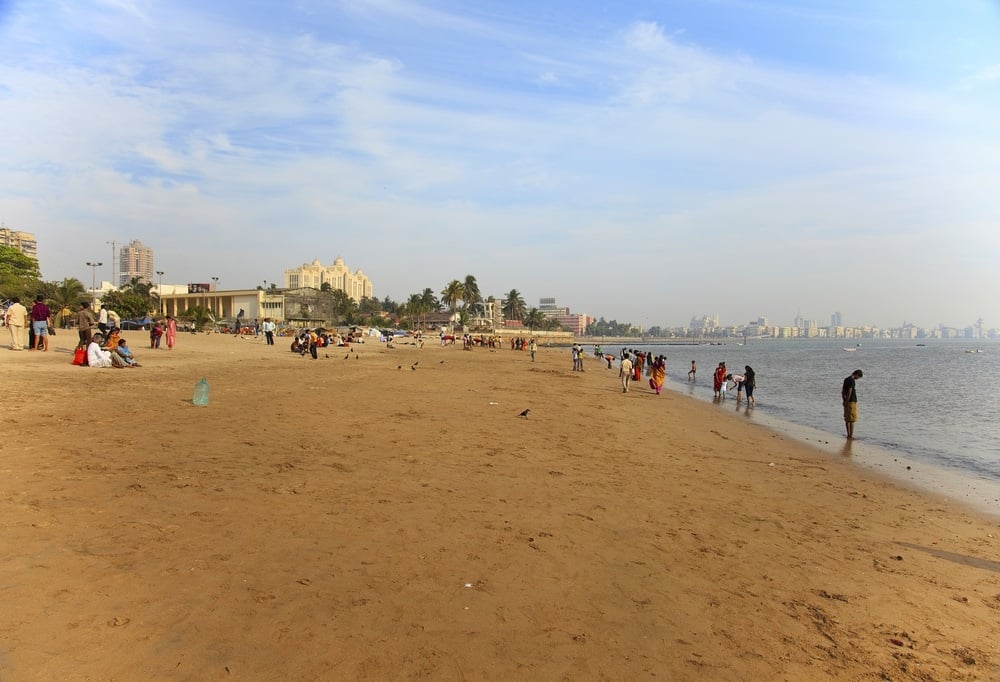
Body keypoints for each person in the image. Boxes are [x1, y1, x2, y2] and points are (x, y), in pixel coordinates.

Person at [842, 369, 863, 439]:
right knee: (852, 420)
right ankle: (851, 435)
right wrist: (847, 401)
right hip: (851, 402)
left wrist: (844, 401)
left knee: (847, 419)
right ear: (856, 374)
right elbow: (850, 392)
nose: (858, 379)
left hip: (846, 401)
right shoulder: (852, 380)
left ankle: (848, 435)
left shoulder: (846, 379)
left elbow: (843, 391)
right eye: (858, 377)